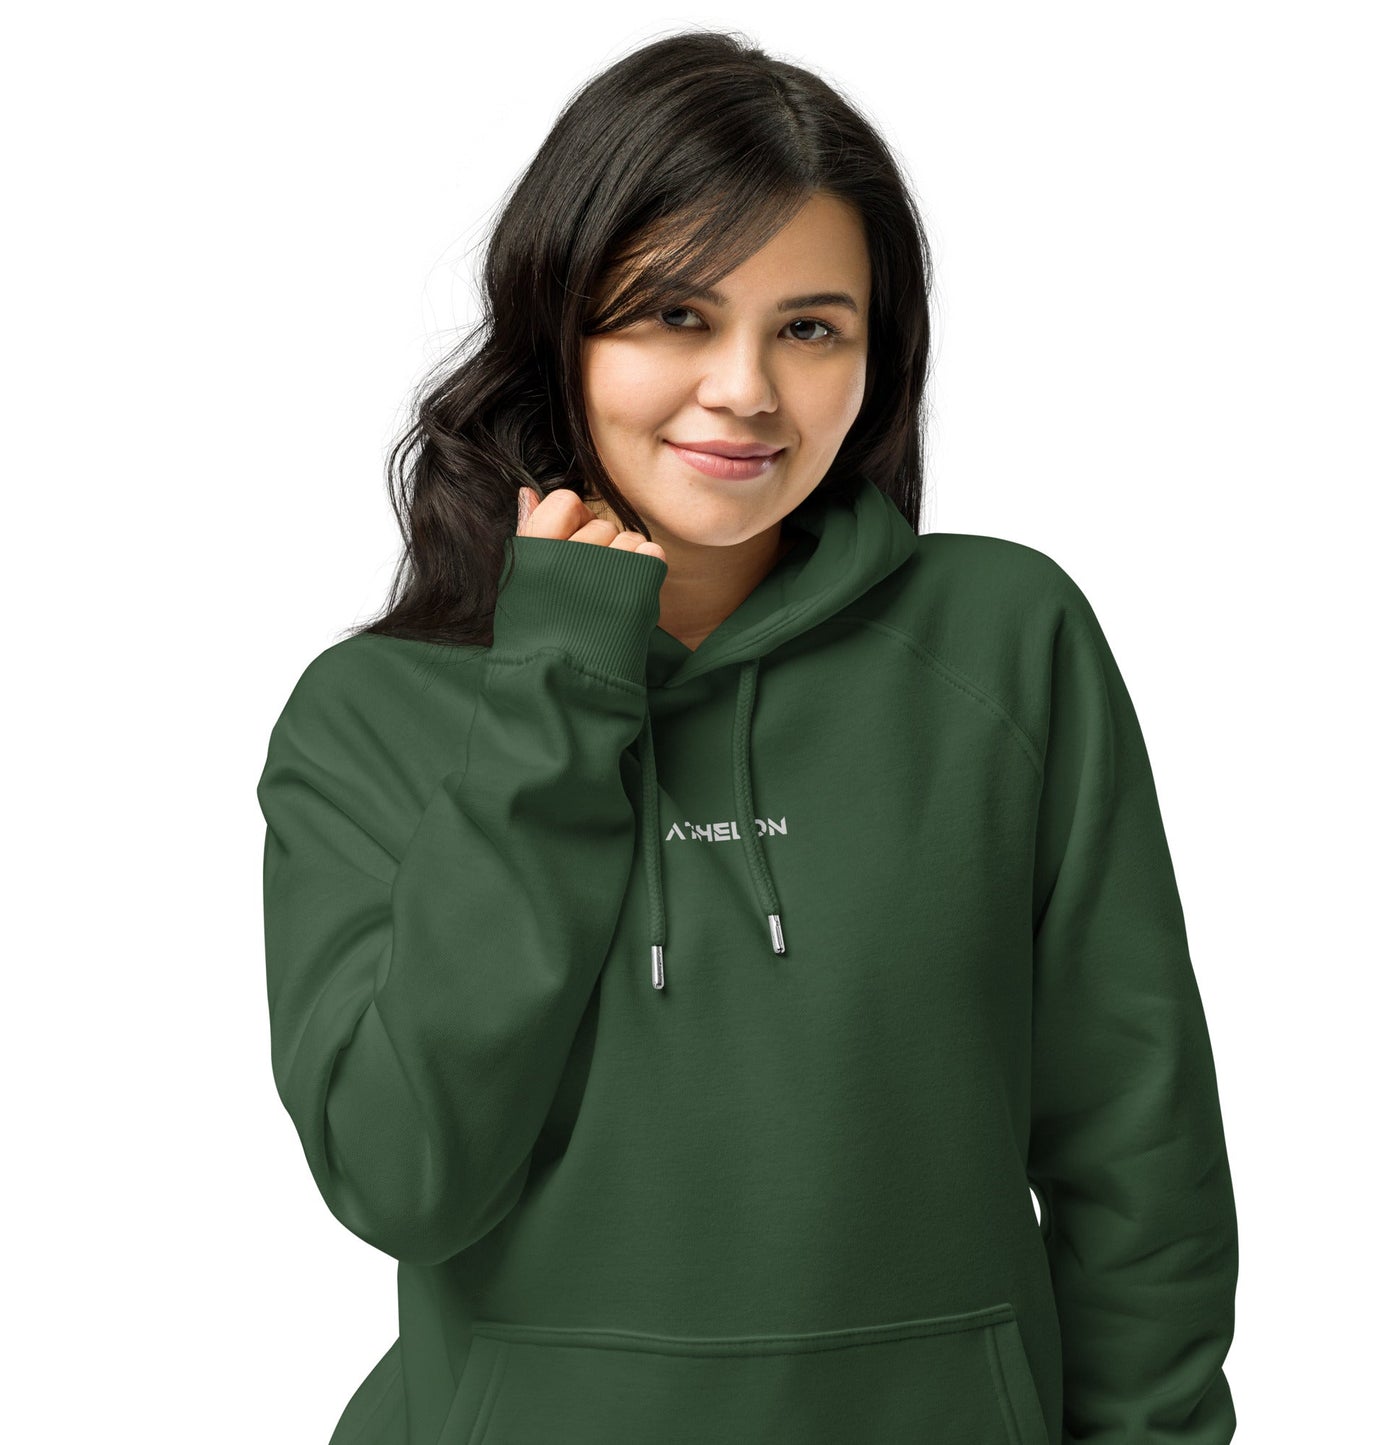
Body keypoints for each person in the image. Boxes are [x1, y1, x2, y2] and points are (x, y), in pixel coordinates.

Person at [255, 27, 1239, 1445]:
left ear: (878, 353)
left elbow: (1136, 1149)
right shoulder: (374, 715)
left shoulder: (1003, 643)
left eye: (810, 327)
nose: (745, 390)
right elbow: (403, 1174)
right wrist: (556, 696)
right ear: (558, 326)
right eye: (673, 315)